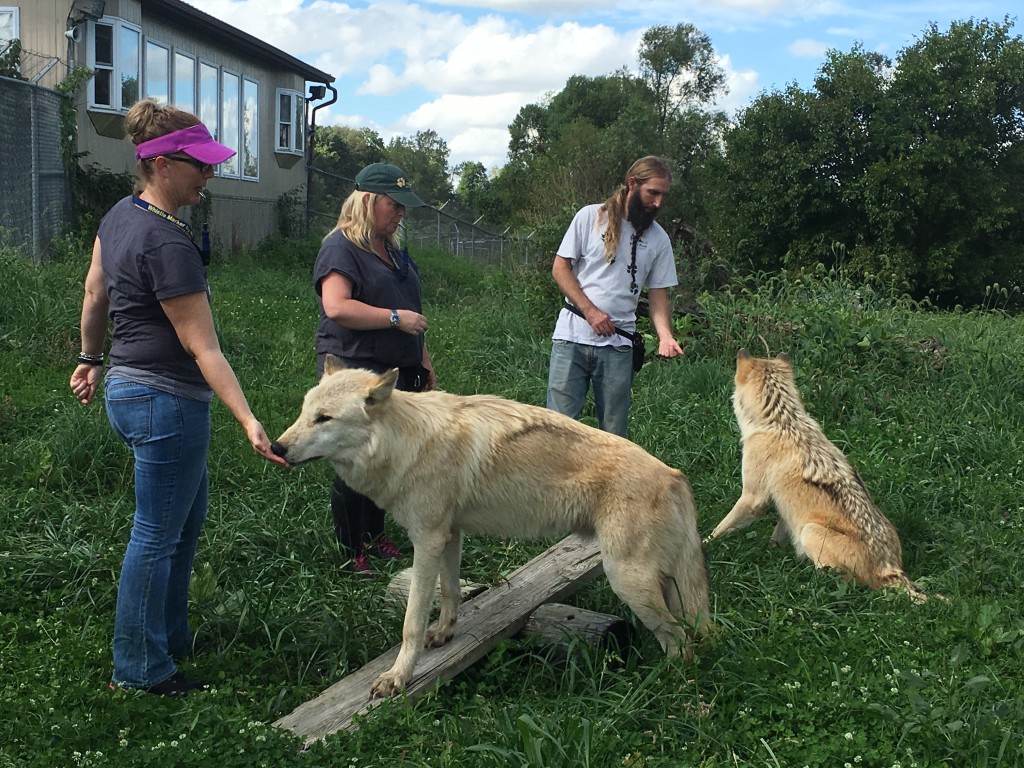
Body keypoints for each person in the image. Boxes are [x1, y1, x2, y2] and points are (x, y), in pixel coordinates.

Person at [69, 99, 287, 697]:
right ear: (162, 163)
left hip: (127, 389)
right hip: (166, 401)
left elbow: (94, 296)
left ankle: (167, 635)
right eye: (200, 165)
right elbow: (205, 349)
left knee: (182, 524)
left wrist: (91, 359)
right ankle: (140, 669)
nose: (209, 175)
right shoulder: (167, 242)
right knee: (156, 535)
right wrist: (249, 419)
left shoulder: (118, 215)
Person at [313, 162, 436, 574]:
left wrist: (422, 359)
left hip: (394, 370)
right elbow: (337, 306)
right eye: (394, 205)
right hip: (355, 369)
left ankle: (375, 534)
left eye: (404, 207)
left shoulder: (393, 249)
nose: (401, 213)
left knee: (385, 456)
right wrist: (395, 319)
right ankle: (352, 550)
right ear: (368, 201)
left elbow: (413, 312)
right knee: (354, 458)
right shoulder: (341, 247)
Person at [546, 155, 684, 438]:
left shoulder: (658, 239)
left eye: (662, 196)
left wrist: (666, 336)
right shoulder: (590, 217)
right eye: (652, 193)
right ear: (633, 183)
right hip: (572, 338)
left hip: (618, 345)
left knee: (613, 437)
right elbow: (560, 269)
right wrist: (590, 312)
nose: (657, 203)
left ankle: (606, 484)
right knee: (557, 430)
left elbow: (658, 294)